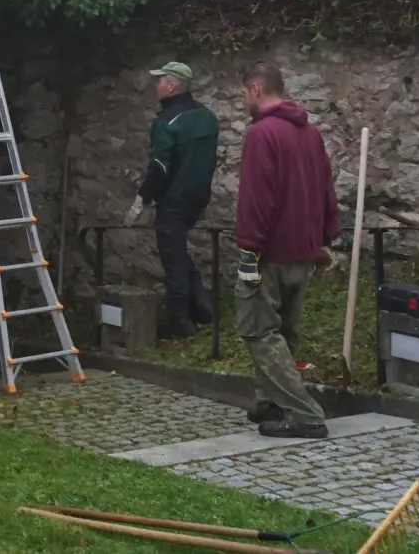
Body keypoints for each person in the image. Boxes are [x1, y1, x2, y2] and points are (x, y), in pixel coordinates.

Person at [233, 62, 338, 439]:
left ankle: (305, 413)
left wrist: (248, 249)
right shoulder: (309, 133)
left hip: (271, 252)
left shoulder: (264, 134)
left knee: (260, 331)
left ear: (257, 88)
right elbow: (326, 187)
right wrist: (326, 236)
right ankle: (269, 402)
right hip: (303, 250)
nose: (244, 100)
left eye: (244, 93)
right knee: (285, 332)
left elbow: (256, 198)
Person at [123, 61, 219, 338]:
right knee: (178, 250)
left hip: (174, 199)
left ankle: (180, 323)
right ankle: (201, 307)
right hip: (199, 196)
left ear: (172, 86)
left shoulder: (166, 122)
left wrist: (142, 199)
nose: (156, 85)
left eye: (160, 80)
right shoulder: (208, 117)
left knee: (172, 259)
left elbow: (160, 167)